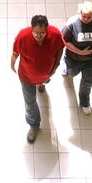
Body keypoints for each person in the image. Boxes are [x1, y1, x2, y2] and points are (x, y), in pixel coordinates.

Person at [11, 14, 64, 143]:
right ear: (31, 29)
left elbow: (60, 48)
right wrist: (12, 64)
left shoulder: (55, 34)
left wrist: (56, 65)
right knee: (30, 103)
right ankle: (34, 125)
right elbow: (15, 52)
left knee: (44, 80)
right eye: (36, 33)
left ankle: (41, 84)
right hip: (26, 77)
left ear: (47, 29)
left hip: (46, 74)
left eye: (42, 33)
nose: (39, 36)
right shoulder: (22, 36)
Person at [61, 1, 92, 115]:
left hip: (91, 59)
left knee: (87, 82)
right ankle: (66, 68)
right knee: (71, 73)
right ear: (79, 13)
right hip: (74, 58)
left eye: (89, 17)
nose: (86, 19)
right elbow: (64, 41)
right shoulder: (71, 23)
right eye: (84, 16)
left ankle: (85, 102)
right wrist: (80, 52)